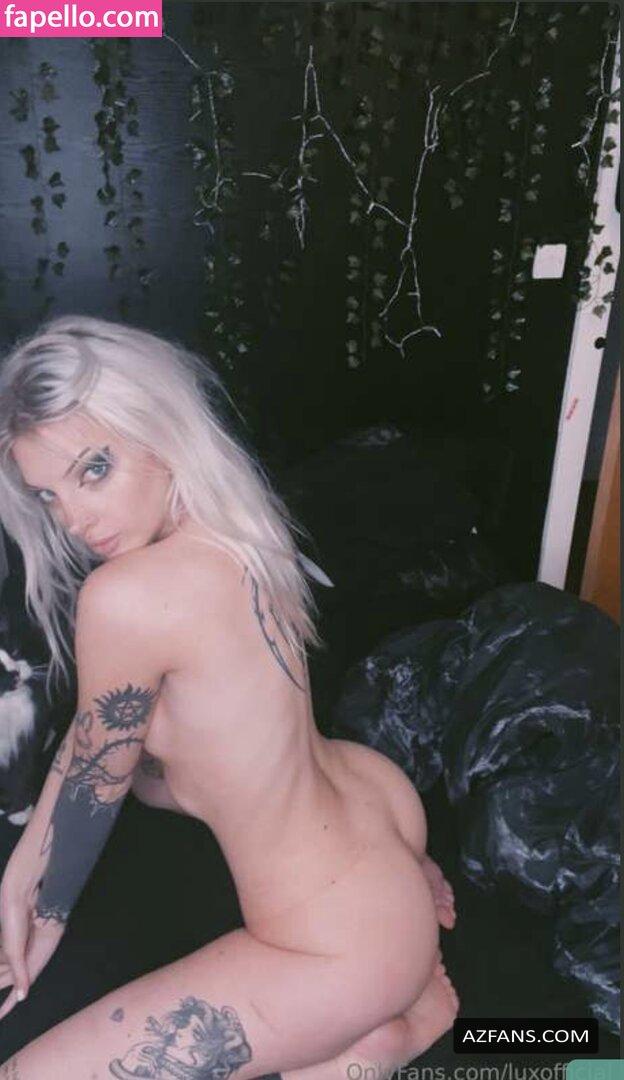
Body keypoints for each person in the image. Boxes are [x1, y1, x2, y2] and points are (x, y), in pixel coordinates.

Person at [0, 315, 458, 1080]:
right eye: (49, 495)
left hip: (336, 938)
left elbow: (97, 780)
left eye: (94, 470)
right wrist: (24, 870)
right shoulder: (238, 522)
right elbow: (95, 744)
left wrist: (44, 919)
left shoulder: (125, 597)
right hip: (377, 809)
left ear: (158, 426)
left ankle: (394, 1030)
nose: (75, 519)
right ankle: (377, 1014)